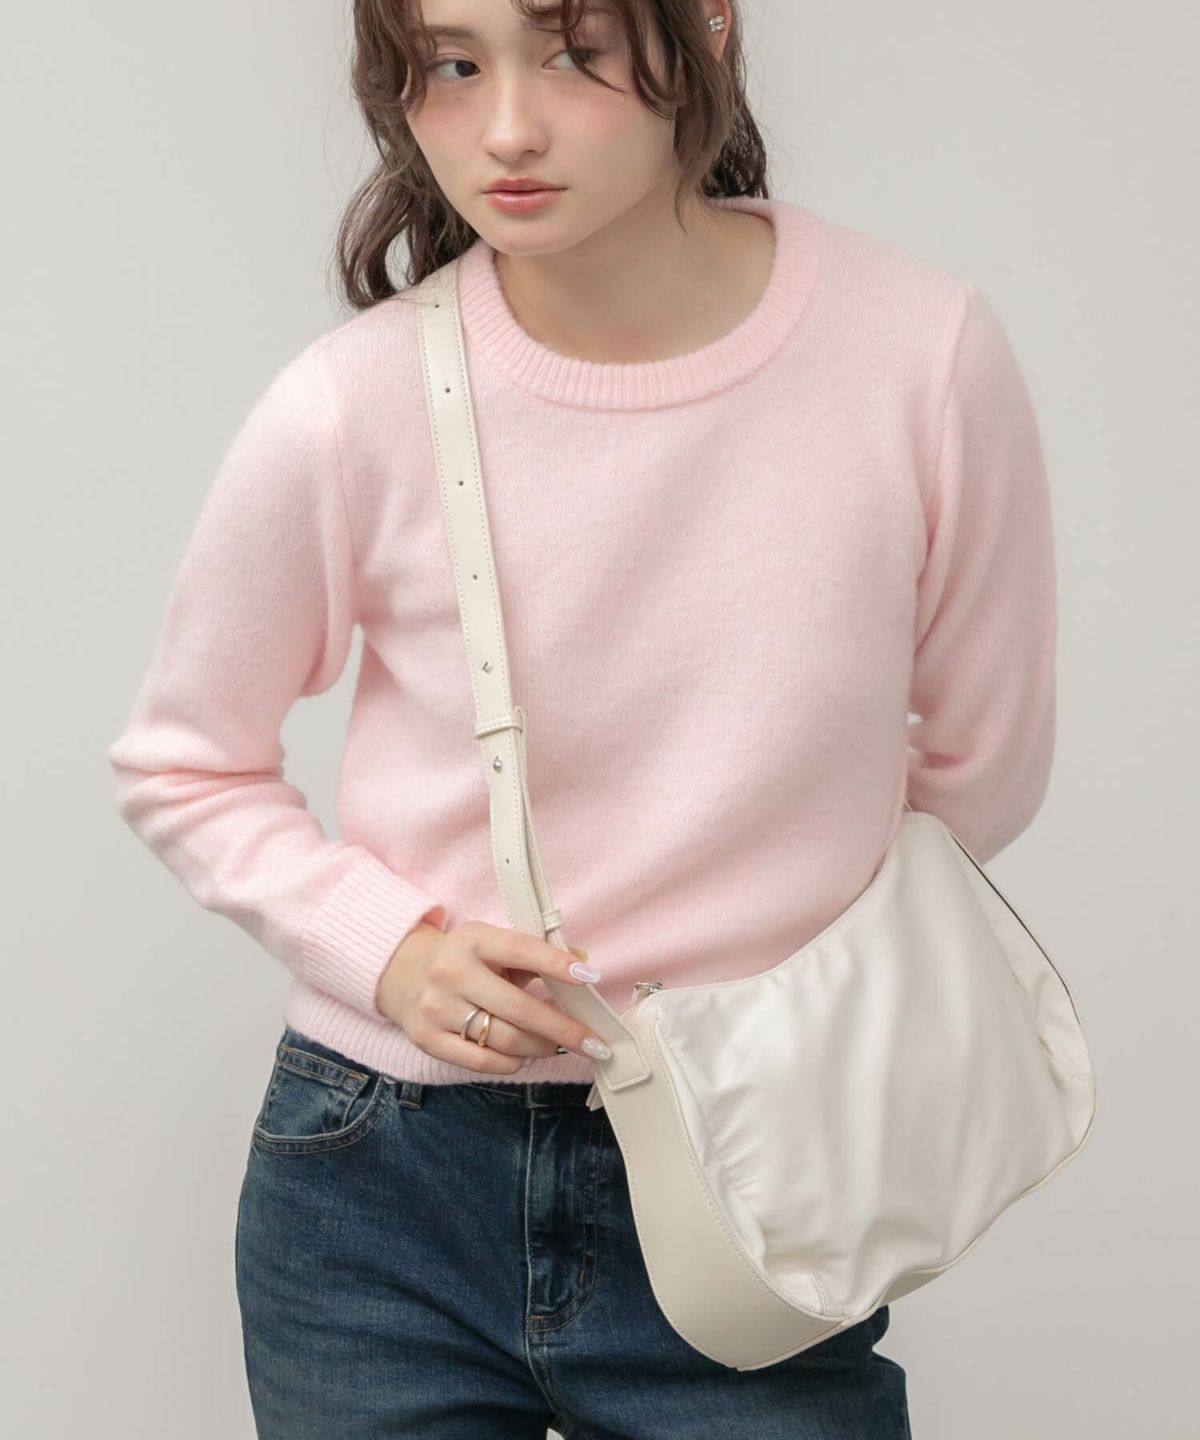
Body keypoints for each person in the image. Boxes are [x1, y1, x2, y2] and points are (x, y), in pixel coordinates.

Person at [107, 1, 1057, 1434]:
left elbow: (983, 765)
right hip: (381, 1178)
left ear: (707, 30)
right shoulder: (351, 404)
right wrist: (389, 951)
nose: (505, 129)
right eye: (450, 65)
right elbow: (185, 763)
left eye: (573, 51)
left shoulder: (917, 355)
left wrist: (779, 1013)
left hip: (757, 1168)